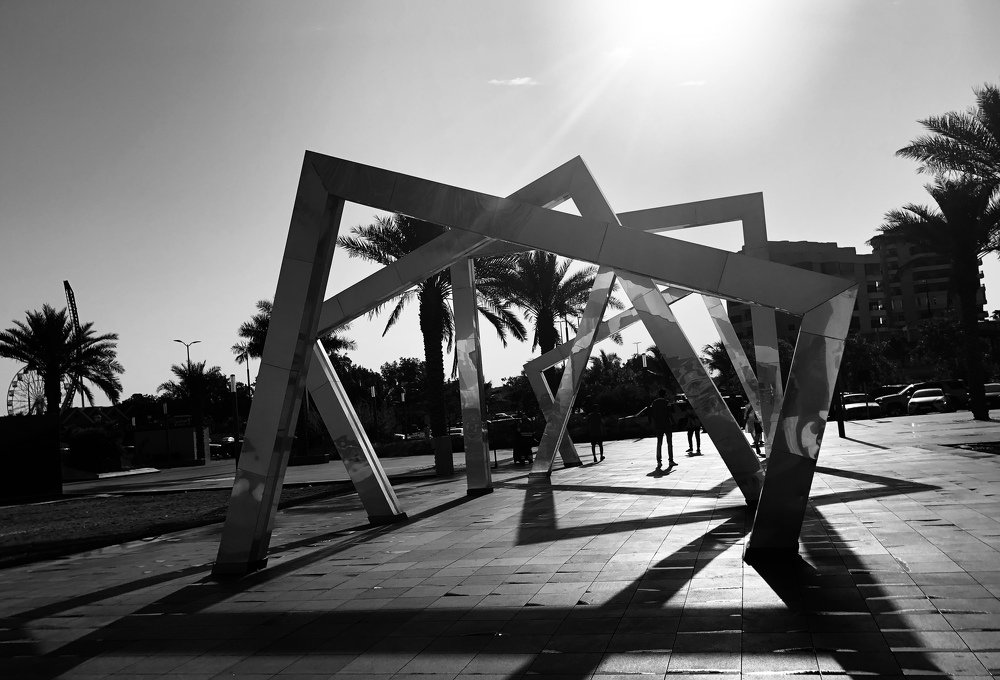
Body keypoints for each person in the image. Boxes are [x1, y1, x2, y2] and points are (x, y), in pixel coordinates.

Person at [636, 389, 676, 469]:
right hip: (667, 425)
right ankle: (670, 460)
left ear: (659, 395)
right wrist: (673, 422)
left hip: (658, 425)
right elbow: (669, 413)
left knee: (659, 443)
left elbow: (651, 413)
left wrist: (651, 422)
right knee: (669, 443)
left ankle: (659, 461)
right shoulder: (666, 402)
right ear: (664, 395)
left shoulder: (654, 403)